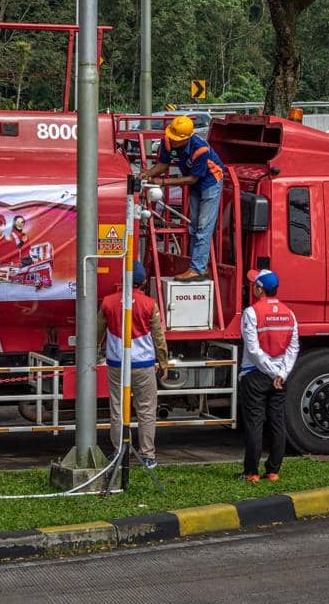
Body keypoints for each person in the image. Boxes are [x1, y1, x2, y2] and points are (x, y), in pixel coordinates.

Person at [97, 260, 168, 470]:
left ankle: (119, 452)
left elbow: (97, 332)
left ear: (122, 280)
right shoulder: (149, 304)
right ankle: (147, 455)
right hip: (143, 364)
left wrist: (93, 353)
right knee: (146, 409)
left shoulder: (108, 302)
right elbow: (158, 337)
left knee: (117, 408)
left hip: (116, 363)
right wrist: (163, 362)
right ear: (143, 282)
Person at [140, 115, 226, 280]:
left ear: (186, 138)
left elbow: (193, 179)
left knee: (203, 227)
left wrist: (164, 181)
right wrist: (148, 174)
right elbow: (163, 164)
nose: (171, 141)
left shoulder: (200, 149)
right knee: (194, 226)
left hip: (210, 182)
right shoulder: (167, 140)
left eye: (175, 139)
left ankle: (198, 269)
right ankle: (199, 266)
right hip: (195, 182)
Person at [239, 269, 299, 482]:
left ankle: (251, 472)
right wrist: (281, 373)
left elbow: (253, 350)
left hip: (255, 374)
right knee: (277, 422)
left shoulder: (251, 312)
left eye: (254, 283)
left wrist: (272, 371)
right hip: (280, 377)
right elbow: (293, 348)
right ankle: (273, 470)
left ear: (260, 289)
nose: (252, 286)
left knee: (255, 423)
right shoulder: (289, 313)